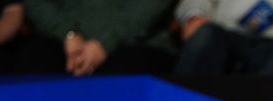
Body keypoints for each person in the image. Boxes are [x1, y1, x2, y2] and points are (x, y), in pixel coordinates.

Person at [22, 0, 178, 76]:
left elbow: (149, 6)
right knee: (33, 64)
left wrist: (104, 41)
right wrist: (68, 34)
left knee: (129, 73)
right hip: (63, 41)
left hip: (137, 41)